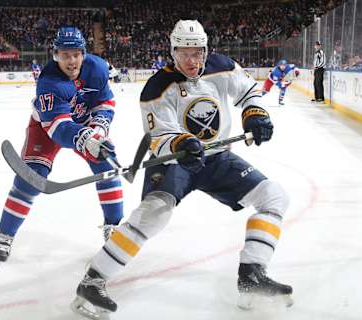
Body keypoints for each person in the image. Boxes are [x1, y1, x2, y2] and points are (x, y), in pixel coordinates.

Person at [70, 20, 292, 318]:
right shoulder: (157, 87)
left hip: (216, 158)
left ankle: (252, 275)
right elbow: (160, 135)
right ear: (173, 52)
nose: (192, 60)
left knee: (273, 197)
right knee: (154, 214)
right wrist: (181, 143)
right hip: (176, 161)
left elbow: (250, 90)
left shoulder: (222, 67)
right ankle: (93, 280)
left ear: (206, 50)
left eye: (197, 53)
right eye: (184, 53)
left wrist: (254, 112)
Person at [0, 26, 124, 264]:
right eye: (65, 55)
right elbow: (58, 129)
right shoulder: (49, 82)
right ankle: (5, 235)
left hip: (84, 123)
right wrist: (85, 138)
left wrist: (99, 129)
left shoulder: (97, 68)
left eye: (76, 54)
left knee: (107, 168)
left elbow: (105, 102)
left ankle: (113, 227)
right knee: (30, 179)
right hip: (46, 129)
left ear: (83, 54)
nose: (71, 61)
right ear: (56, 55)